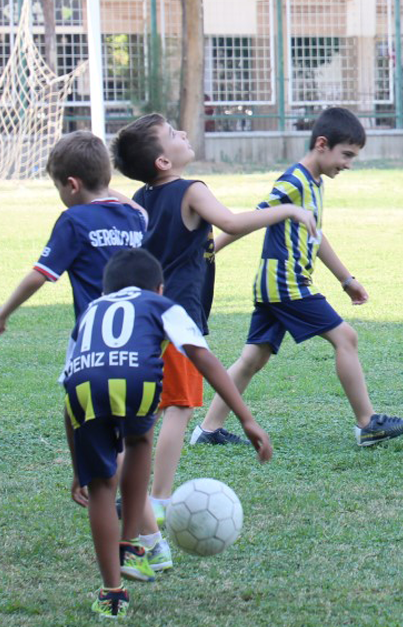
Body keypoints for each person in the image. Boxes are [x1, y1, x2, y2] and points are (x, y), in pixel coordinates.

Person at [110, 114, 313, 564]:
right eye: (174, 134)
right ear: (164, 159)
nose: (184, 134)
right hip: (178, 320)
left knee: (145, 410)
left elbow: (185, 242)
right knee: (179, 408)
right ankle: (158, 499)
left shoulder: (146, 196)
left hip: (146, 318)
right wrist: (288, 210)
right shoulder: (191, 188)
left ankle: (131, 491)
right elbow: (233, 222)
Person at [191, 107, 403, 448]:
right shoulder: (294, 180)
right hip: (286, 284)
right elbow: (253, 218)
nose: (348, 164)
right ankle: (367, 423)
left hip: (275, 285)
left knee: (253, 358)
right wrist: (211, 252)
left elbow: (316, 235)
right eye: (346, 155)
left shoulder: (314, 183)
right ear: (322, 145)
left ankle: (207, 431)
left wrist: (346, 279)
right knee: (346, 338)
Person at [63, 249, 271, 619]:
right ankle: (131, 545)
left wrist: (79, 466)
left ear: (106, 288)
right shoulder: (163, 304)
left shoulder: (90, 311)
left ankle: (112, 593)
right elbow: (201, 356)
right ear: (159, 287)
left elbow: (69, 387)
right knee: (139, 440)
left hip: (83, 387)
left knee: (100, 487)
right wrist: (246, 418)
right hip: (136, 380)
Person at [0, 132, 147, 347]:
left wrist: (0, 316)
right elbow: (142, 211)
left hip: (95, 336)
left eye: (58, 187)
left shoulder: (74, 221)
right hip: (139, 332)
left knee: (81, 380)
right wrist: (102, 183)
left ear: (72, 185)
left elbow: (39, 275)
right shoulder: (135, 218)